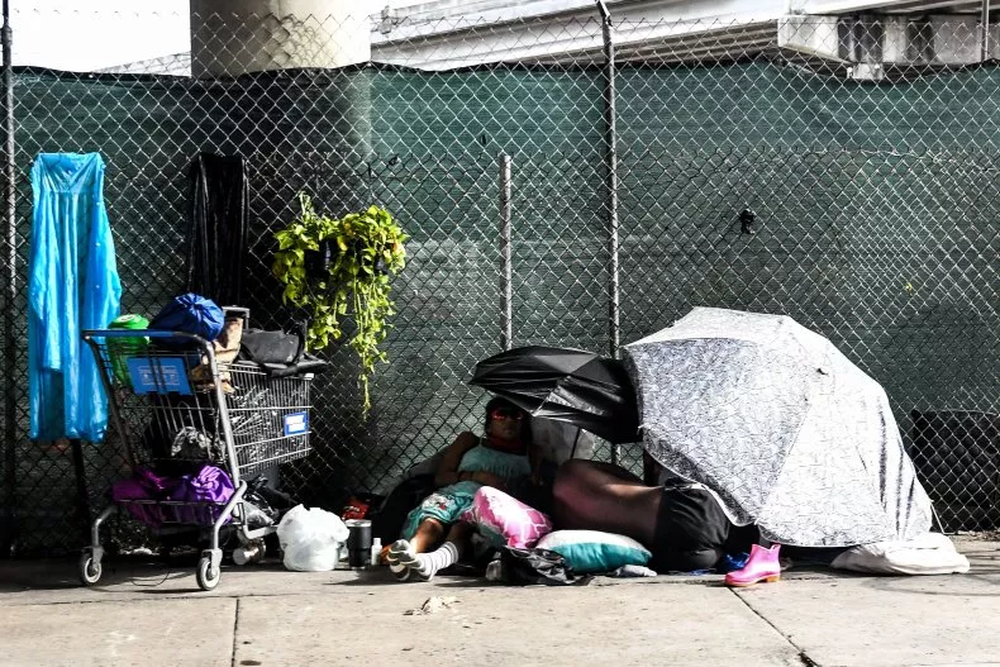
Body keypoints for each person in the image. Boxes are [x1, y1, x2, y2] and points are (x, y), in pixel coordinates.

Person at [386, 397, 538, 582]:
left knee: (462, 527)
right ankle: (408, 554)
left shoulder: (532, 453)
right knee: (432, 522)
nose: (509, 420)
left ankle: (430, 563)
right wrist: (477, 476)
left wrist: (527, 484)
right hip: (456, 495)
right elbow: (441, 477)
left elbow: (533, 491)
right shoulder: (470, 441)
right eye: (501, 415)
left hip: (490, 506)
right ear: (489, 424)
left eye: (516, 415)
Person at [550, 452, 758, 573]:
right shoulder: (571, 470)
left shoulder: (564, 525)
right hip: (687, 506)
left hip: (681, 551)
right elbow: (628, 478)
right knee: (745, 523)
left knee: (729, 550)